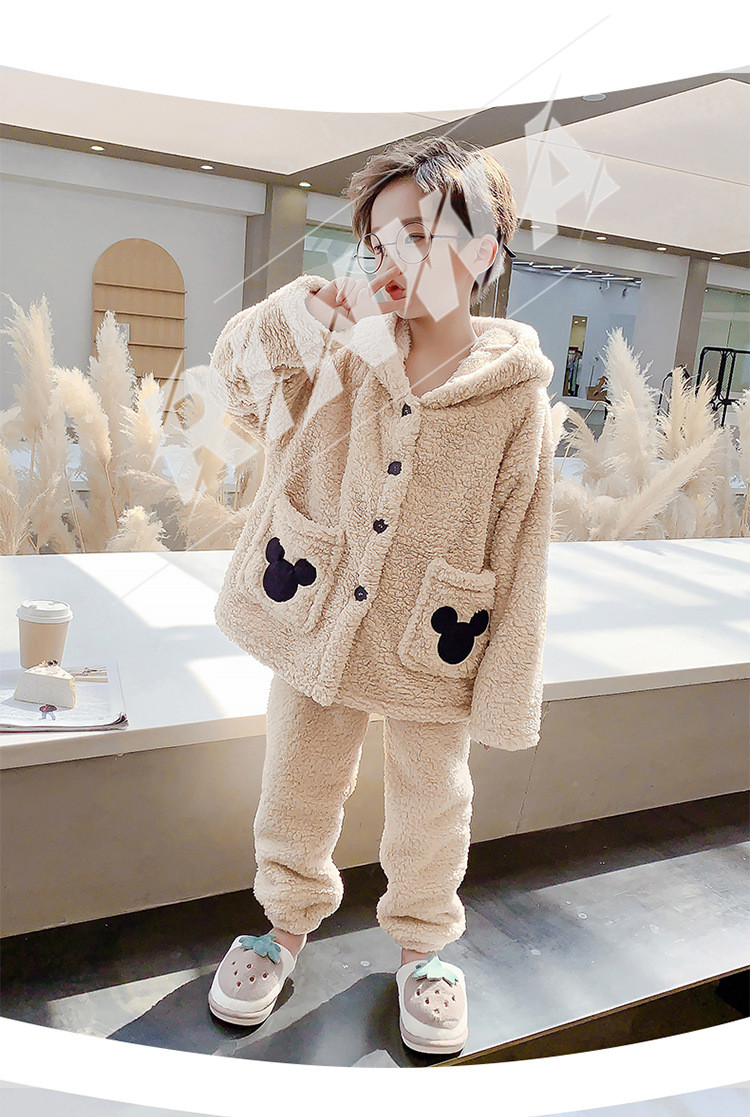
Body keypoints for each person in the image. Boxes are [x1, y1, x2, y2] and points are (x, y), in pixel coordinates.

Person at [207, 135, 555, 1056]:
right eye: (376, 241)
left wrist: (506, 694)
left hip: (434, 636)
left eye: (416, 234)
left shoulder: (515, 393)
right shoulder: (342, 343)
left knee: (434, 799)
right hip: (317, 610)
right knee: (297, 777)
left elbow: (523, 540)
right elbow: (236, 388)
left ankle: (424, 949)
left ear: (483, 249)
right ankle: (280, 927)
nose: (389, 257)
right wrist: (303, 310)